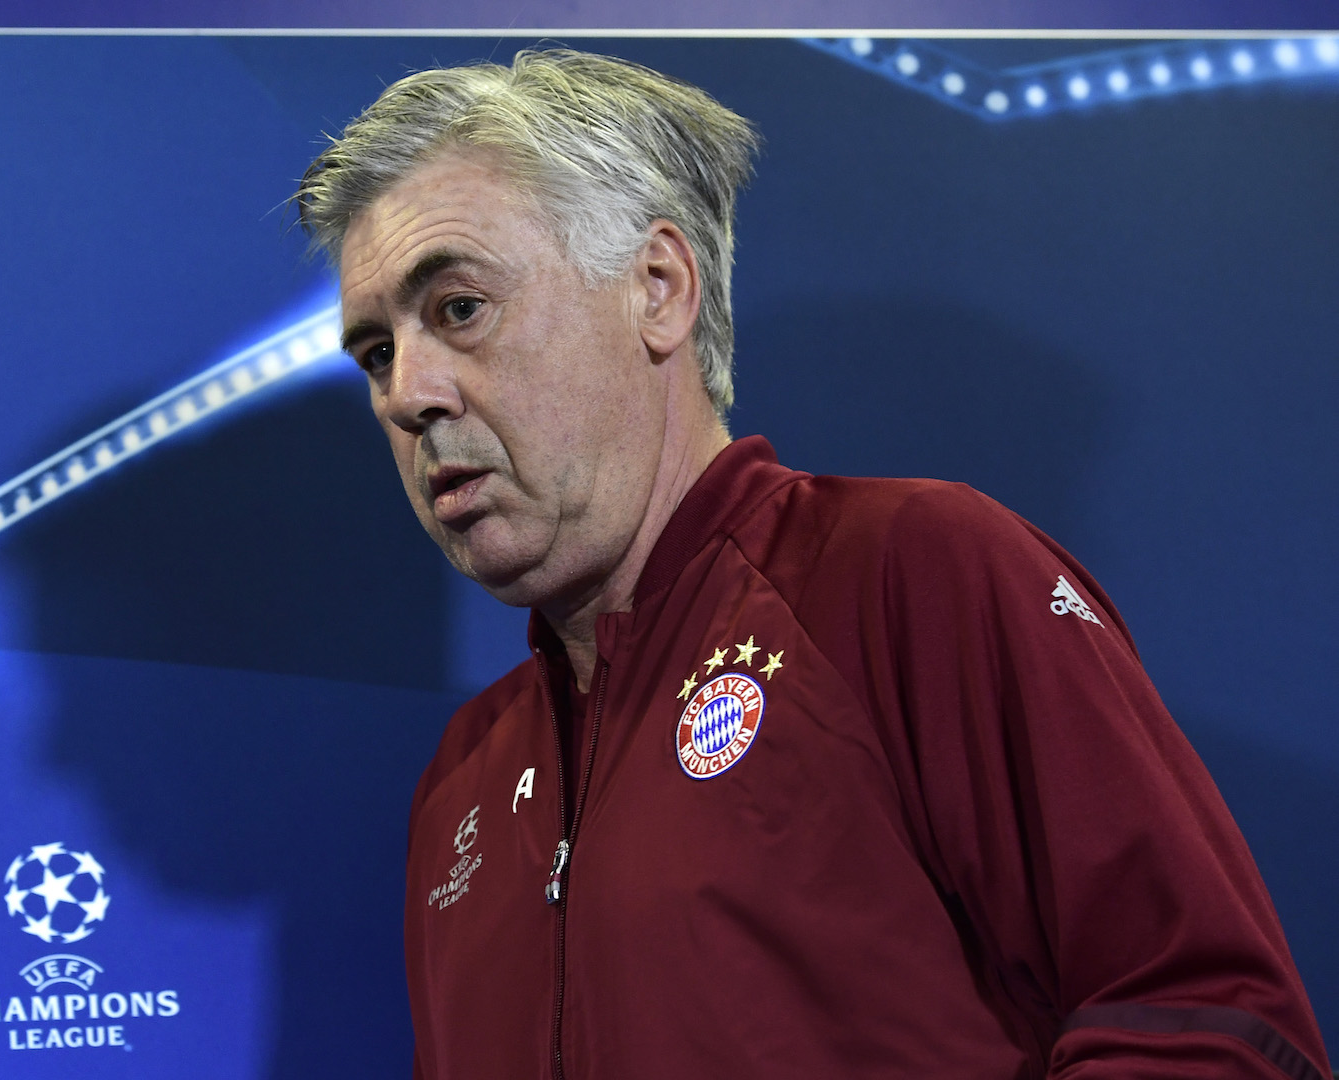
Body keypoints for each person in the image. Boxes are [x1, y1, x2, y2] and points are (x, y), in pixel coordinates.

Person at [295, 48, 1330, 1080]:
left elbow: (1211, 1027)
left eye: (459, 309)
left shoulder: (911, 577)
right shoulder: (462, 783)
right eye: (377, 351)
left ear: (657, 289)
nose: (406, 393)